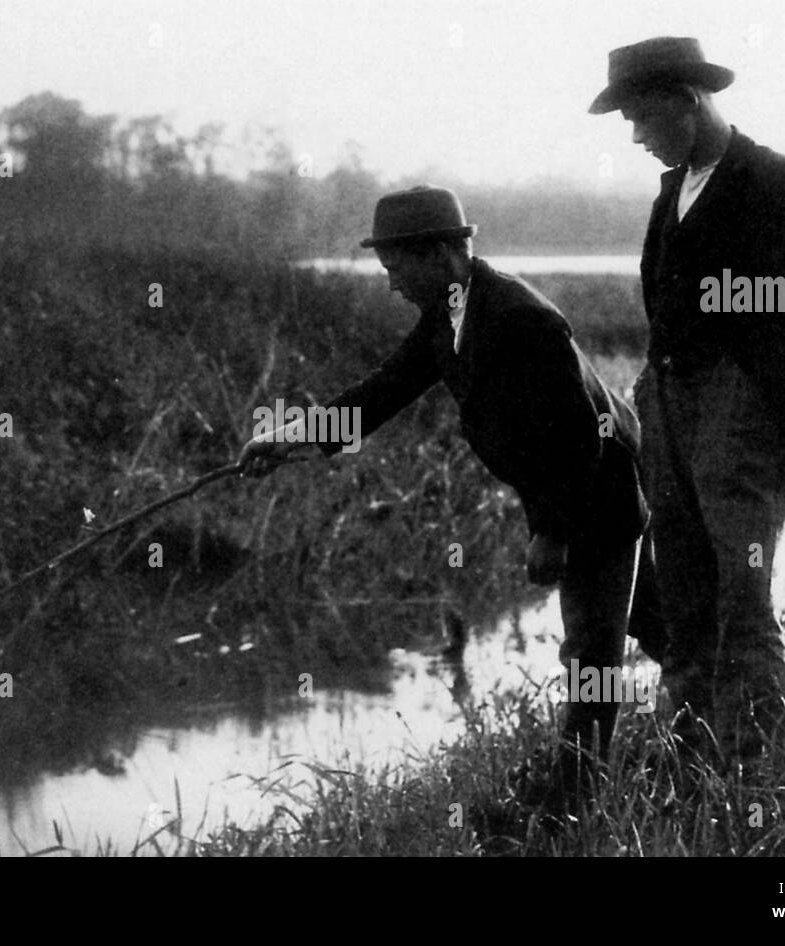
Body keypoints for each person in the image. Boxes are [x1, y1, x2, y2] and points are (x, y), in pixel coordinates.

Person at [239, 185, 651, 790]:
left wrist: (553, 533)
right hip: (572, 490)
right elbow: (383, 391)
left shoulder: (521, 318)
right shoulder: (451, 315)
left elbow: (580, 437)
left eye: (395, 266)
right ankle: (706, 734)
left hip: (597, 496)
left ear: (438, 254)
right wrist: (288, 439)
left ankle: (575, 800)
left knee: (591, 656)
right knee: (659, 626)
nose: (391, 282)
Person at [589, 37, 785, 762]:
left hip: (745, 411)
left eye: (644, 118)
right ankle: (692, 760)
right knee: (681, 592)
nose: (639, 137)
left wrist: (762, 402)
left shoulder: (776, 184)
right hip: (670, 404)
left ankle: (758, 770)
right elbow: (664, 307)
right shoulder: (671, 192)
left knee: (742, 598)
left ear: (688, 99)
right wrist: (659, 395)